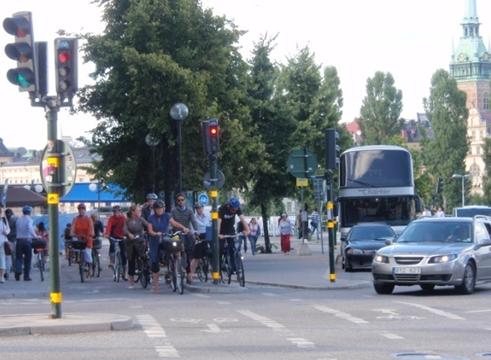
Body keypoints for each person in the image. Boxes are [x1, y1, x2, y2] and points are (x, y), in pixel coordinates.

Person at [147, 200, 185, 293]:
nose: (160, 210)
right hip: (155, 241)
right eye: (158, 209)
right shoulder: (151, 218)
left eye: (161, 208)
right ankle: (155, 286)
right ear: (155, 209)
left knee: (176, 244)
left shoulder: (167, 216)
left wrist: (183, 228)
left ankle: (177, 263)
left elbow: (174, 223)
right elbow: (150, 230)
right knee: (155, 262)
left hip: (166, 238)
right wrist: (155, 233)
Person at [170, 193, 198, 283]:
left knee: (188, 252)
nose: (180, 202)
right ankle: (173, 269)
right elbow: (171, 222)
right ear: (176, 201)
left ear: (185, 201)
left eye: (182, 200)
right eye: (179, 200)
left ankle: (188, 273)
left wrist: (196, 230)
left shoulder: (189, 211)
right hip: (176, 234)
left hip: (186, 233)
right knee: (174, 250)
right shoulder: (173, 211)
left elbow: (194, 221)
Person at [218, 197, 249, 272]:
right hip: (221, 229)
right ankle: (219, 266)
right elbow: (218, 222)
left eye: (236, 209)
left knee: (232, 248)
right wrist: (218, 234)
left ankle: (234, 267)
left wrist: (247, 230)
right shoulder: (222, 209)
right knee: (220, 249)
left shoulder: (237, 208)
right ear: (229, 206)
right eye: (233, 209)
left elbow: (242, 219)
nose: (234, 211)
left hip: (230, 229)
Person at [125, 204, 147, 288]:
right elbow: (125, 229)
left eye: (140, 211)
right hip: (131, 242)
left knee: (144, 257)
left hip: (140, 241)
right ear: (133, 212)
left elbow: (148, 225)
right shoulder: (128, 221)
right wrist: (129, 234)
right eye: (138, 211)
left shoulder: (141, 219)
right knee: (131, 261)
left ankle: (146, 274)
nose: (140, 212)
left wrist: (150, 230)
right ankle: (131, 281)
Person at [188, 202, 211, 280]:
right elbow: (191, 228)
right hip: (198, 235)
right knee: (196, 256)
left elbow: (211, 224)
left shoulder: (208, 215)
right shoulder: (194, 217)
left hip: (207, 234)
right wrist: (195, 233)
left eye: (200, 208)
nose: (199, 210)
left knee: (212, 251)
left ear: (203, 208)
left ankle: (215, 269)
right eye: (197, 208)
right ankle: (190, 275)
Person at [15, 205, 38, 281]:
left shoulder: (18, 219)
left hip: (18, 241)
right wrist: (35, 236)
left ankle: (17, 272)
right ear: (30, 212)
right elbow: (30, 228)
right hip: (27, 241)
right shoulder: (29, 220)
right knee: (28, 259)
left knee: (18, 258)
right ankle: (26, 276)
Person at [70, 203, 95, 270]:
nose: (81, 210)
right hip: (79, 238)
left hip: (87, 238)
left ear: (85, 210)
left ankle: (89, 266)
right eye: (79, 209)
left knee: (87, 253)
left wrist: (90, 234)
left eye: (82, 209)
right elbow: (72, 228)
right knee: (74, 245)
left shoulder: (88, 219)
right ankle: (77, 258)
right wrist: (72, 234)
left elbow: (91, 229)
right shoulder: (75, 219)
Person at [105, 205, 127, 277]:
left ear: (120, 212)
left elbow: (126, 227)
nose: (116, 213)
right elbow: (108, 227)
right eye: (115, 212)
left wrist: (127, 235)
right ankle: (112, 261)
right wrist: (107, 234)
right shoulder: (111, 218)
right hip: (113, 236)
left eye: (118, 211)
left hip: (122, 236)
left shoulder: (123, 218)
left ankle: (124, 270)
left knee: (123, 253)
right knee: (112, 245)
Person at [5, 208, 16, 279]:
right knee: (12, 255)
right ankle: (13, 268)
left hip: (7, 240)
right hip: (11, 239)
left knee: (8, 256)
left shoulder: (4, 220)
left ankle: (9, 270)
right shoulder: (14, 220)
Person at [0, 206, 11, 283]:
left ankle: (2, 277)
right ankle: (2, 277)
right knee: (2, 259)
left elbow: (7, 231)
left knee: (2, 259)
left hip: (2, 242)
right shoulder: (3, 221)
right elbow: (7, 231)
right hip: (2, 242)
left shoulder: (3, 221)